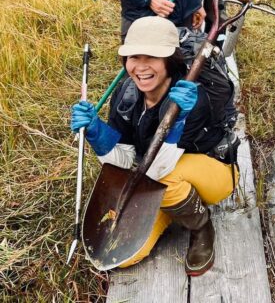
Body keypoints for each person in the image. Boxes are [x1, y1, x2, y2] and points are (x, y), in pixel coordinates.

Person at [71, 16, 238, 275]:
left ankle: (201, 227)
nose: (141, 67)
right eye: (133, 57)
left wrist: (179, 120)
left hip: (212, 172)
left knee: (167, 178)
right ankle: (174, 208)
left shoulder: (192, 98)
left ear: (170, 60)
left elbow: (158, 170)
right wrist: (96, 132)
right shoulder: (126, 94)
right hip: (156, 170)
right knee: (123, 257)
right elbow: (125, 162)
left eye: (152, 57)